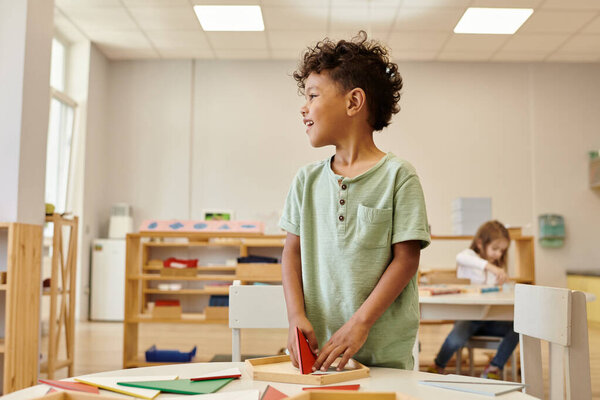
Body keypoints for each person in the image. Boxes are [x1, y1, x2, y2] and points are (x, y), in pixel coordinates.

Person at [279, 31, 431, 372]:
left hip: (384, 359)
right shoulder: (306, 181)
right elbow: (291, 251)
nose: (304, 107)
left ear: (353, 102)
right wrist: (295, 315)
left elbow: (406, 260)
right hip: (322, 358)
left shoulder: (399, 176)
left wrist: (360, 323)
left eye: (313, 95)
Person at [429, 220, 519, 379]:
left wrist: (502, 285)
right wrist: (490, 267)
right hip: (469, 318)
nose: (498, 254)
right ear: (480, 243)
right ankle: (438, 365)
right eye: (495, 249)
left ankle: (493, 367)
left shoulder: (496, 268)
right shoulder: (470, 257)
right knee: (455, 339)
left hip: (490, 319)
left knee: (518, 329)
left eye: (502, 251)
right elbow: (461, 257)